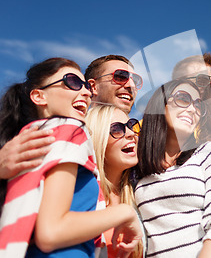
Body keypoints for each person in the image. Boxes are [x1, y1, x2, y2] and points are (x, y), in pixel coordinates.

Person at [0, 57, 142, 257]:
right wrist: (125, 213)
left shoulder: (27, 140)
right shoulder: (71, 130)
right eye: (72, 83)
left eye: (84, 86)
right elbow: (50, 232)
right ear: (39, 96)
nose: (85, 92)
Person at [134, 79, 211, 258]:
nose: (192, 109)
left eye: (199, 106)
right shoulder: (136, 170)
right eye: (183, 99)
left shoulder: (208, 152)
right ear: (161, 105)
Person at [86, 105, 143, 258]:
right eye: (117, 129)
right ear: (99, 139)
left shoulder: (138, 194)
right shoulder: (83, 193)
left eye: (131, 125)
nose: (131, 134)